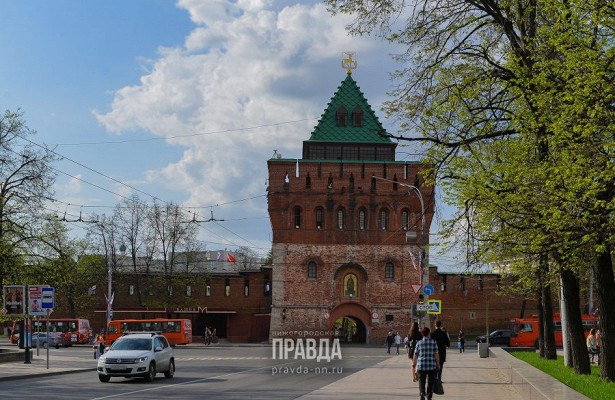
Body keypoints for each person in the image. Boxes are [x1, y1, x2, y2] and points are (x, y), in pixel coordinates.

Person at [412, 327, 440, 400]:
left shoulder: (419, 343)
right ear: (429, 333)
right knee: (431, 381)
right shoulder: (434, 342)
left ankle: (422, 393)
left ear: (422, 334)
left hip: (421, 365)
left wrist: (413, 364)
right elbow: (436, 354)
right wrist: (438, 364)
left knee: (422, 381)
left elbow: (415, 354)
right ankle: (429, 396)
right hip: (431, 365)